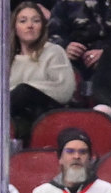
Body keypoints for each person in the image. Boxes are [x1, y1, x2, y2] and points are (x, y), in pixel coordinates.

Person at [8, 1, 78, 133]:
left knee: (23, 91)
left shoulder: (54, 51)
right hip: (14, 119)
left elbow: (65, 90)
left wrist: (25, 89)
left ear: (43, 26)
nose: (30, 25)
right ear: (15, 28)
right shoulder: (6, 58)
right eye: (23, 21)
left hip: (45, 117)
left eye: (36, 21)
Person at [50, 0, 111, 79]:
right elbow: (51, 32)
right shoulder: (66, 2)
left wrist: (110, 52)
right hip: (73, 66)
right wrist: (65, 46)